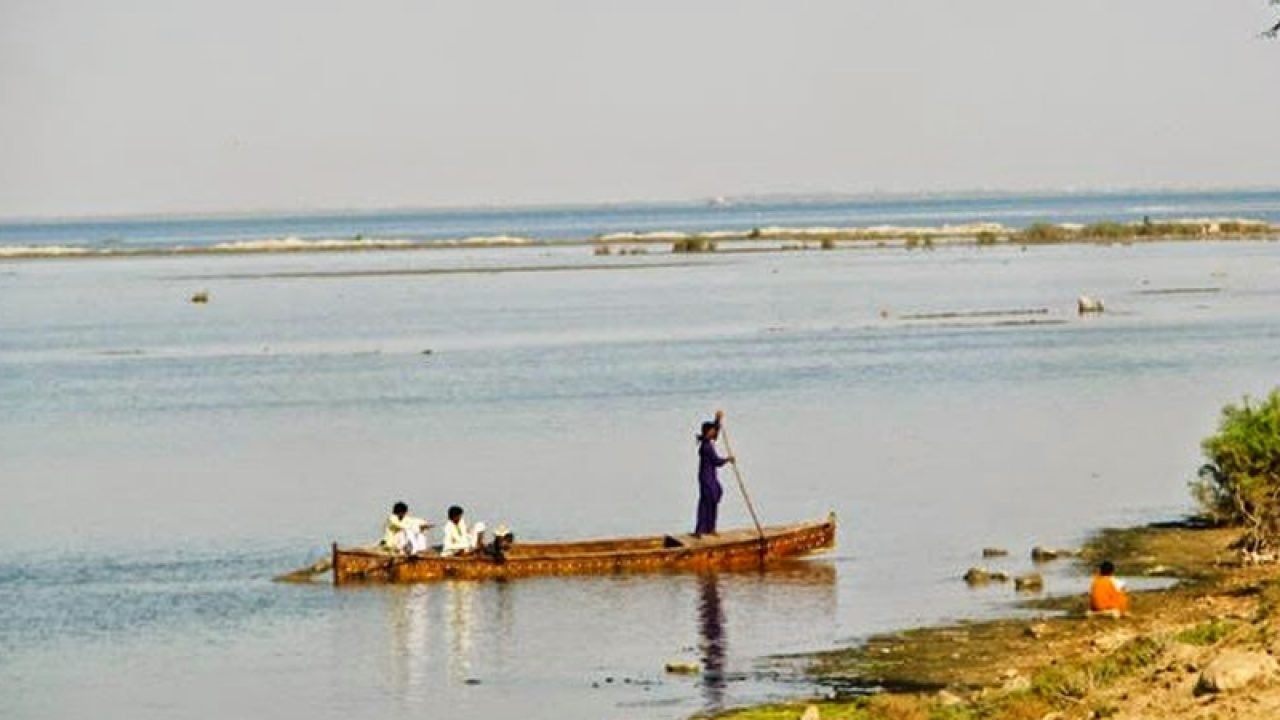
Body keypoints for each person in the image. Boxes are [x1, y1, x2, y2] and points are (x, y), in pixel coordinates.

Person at [694, 410, 735, 537]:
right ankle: (702, 529)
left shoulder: (708, 442)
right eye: (711, 431)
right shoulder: (706, 447)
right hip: (706, 478)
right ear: (707, 433)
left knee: (714, 497)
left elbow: (716, 432)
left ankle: (709, 528)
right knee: (707, 501)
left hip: (710, 476)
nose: (714, 432)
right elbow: (716, 461)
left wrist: (717, 420)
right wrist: (728, 459)